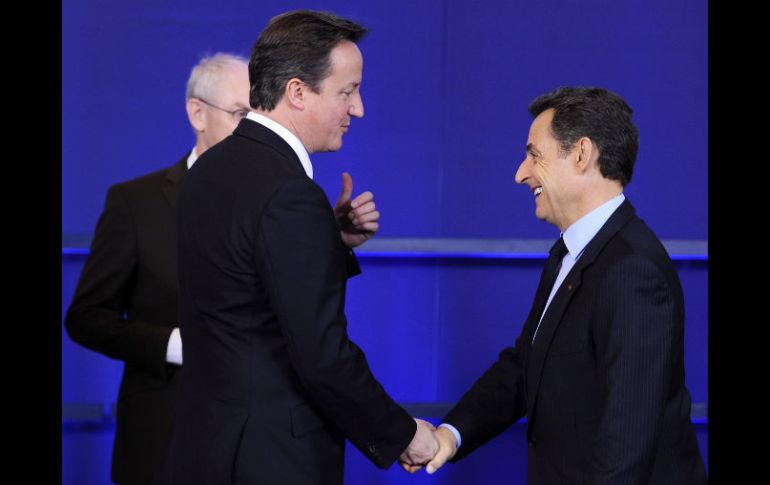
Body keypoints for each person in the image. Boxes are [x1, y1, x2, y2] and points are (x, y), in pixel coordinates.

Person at [65, 52, 382, 485]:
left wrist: (331, 242)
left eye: (258, 112)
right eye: (240, 114)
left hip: (253, 446)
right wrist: (174, 344)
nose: (255, 125)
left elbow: (289, 312)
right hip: (162, 429)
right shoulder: (135, 203)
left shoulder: (282, 192)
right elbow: (86, 317)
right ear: (197, 113)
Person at [161, 10, 437, 485]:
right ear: (297, 92)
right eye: (347, 92)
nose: (358, 109)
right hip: (269, 461)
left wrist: (328, 239)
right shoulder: (290, 193)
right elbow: (322, 357)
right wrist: (403, 435)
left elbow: (245, 295)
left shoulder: (206, 170)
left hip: (203, 452)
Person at [425, 87, 707, 484]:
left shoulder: (633, 270)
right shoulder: (569, 252)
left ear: (581, 154)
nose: (521, 173)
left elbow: (625, 450)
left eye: (534, 155)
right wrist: (450, 435)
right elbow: (527, 364)